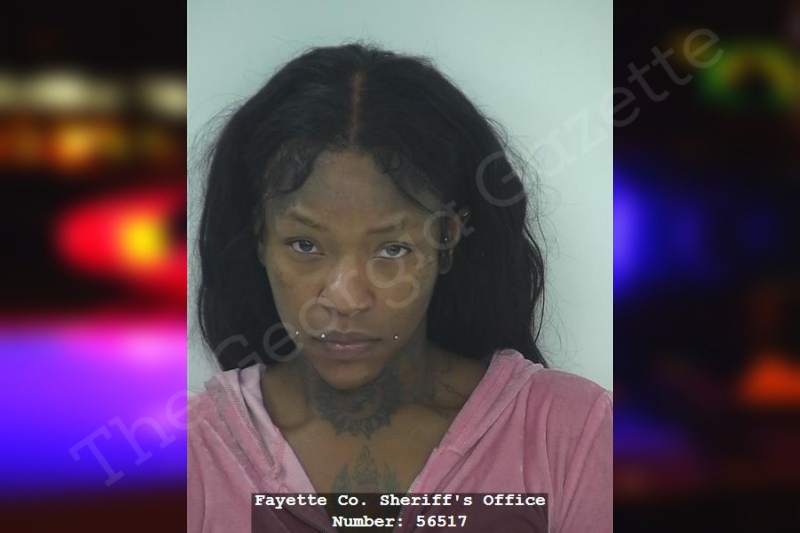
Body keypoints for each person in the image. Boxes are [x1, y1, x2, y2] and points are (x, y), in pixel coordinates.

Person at [188, 42, 612, 532]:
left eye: (392, 249)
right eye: (305, 244)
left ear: (447, 241)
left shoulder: (572, 434)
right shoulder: (189, 453)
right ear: (259, 237)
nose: (345, 299)